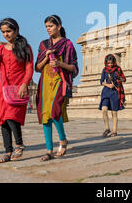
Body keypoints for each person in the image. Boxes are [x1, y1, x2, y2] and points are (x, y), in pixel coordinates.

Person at [35, 15, 78, 161]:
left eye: (51, 26)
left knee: (54, 111)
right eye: (46, 26)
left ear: (59, 26)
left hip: (60, 81)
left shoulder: (67, 44)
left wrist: (60, 64)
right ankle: (49, 151)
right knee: (45, 115)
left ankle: (63, 140)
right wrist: (46, 58)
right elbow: (37, 67)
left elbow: (74, 67)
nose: (48, 29)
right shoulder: (43, 45)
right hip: (45, 83)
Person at [0, 18, 34, 163]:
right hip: (2, 90)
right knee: (3, 120)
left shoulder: (25, 48)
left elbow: (29, 68)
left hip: (17, 89)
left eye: (8, 31)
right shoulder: (0, 49)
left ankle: (19, 144)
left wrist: (24, 84)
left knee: (11, 117)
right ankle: (7, 151)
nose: (6, 34)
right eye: (3, 32)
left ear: (16, 30)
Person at [99, 54, 126, 138]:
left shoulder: (118, 69)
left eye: (111, 63)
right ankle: (107, 128)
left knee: (114, 113)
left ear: (114, 62)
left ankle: (114, 131)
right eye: (108, 63)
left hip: (115, 92)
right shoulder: (105, 70)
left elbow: (124, 79)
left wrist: (119, 79)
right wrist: (107, 85)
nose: (110, 64)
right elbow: (101, 81)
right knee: (104, 109)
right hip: (106, 91)